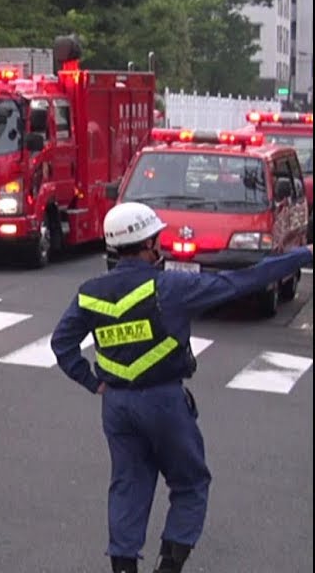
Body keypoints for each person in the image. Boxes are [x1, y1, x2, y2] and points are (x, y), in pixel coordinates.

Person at [51, 201, 313, 573]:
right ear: (148, 246)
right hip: (163, 401)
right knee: (190, 483)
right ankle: (169, 566)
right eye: (156, 240)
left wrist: (92, 382)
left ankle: (124, 568)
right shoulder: (170, 287)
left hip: (117, 406)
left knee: (128, 486)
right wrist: (303, 254)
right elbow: (242, 281)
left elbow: (62, 343)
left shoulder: (90, 292)